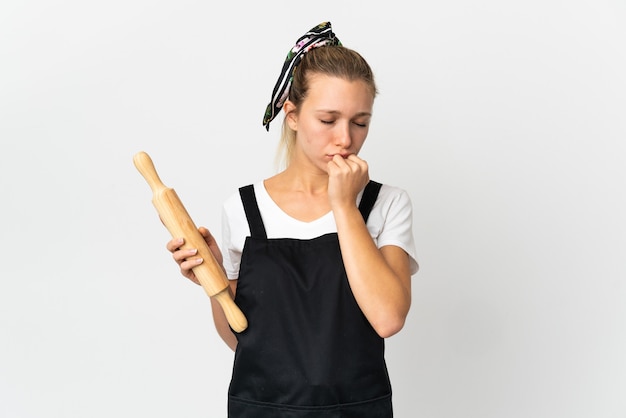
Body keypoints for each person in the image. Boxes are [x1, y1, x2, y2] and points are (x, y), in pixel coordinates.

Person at [167, 21, 419, 418]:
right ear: (293, 114)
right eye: (328, 120)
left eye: (360, 122)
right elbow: (244, 341)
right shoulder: (244, 207)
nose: (345, 139)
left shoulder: (386, 204)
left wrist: (344, 206)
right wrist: (213, 281)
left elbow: (388, 318)